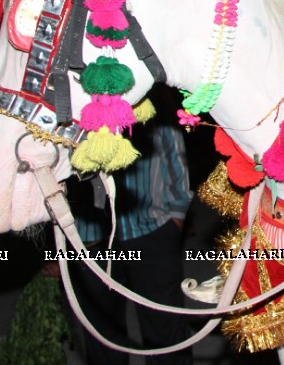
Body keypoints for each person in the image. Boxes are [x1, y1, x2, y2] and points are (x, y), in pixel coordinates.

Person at [61, 112, 194, 365]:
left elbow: (174, 155)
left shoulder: (145, 99)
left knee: (167, 335)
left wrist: (174, 222)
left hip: (152, 232)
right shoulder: (73, 106)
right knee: (102, 336)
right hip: (92, 240)